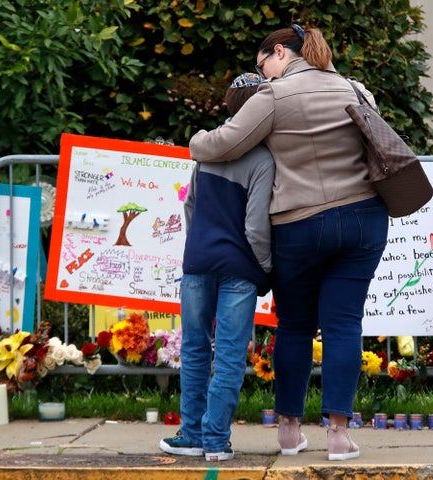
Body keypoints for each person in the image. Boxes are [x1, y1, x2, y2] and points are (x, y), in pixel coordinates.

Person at [189, 24, 389, 461]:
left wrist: (194, 141)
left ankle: (289, 430)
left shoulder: (273, 97)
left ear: (279, 51)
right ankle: (338, 435)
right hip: (362, 220)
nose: (263, 75)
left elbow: (224, 144)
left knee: (295, 325)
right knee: (343, 325)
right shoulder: (356, 90)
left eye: (263, 65)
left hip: (299, 225)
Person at [159, 72, 275, 462]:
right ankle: (215, 440)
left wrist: (198, 245)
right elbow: (256, 226)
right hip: (239, 267)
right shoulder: (262, 159)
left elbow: (190, 205)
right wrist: (265, 269)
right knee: (227, 354)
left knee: (193, 348)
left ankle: (190, 433)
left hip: (197, 262)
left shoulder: (205, 150)